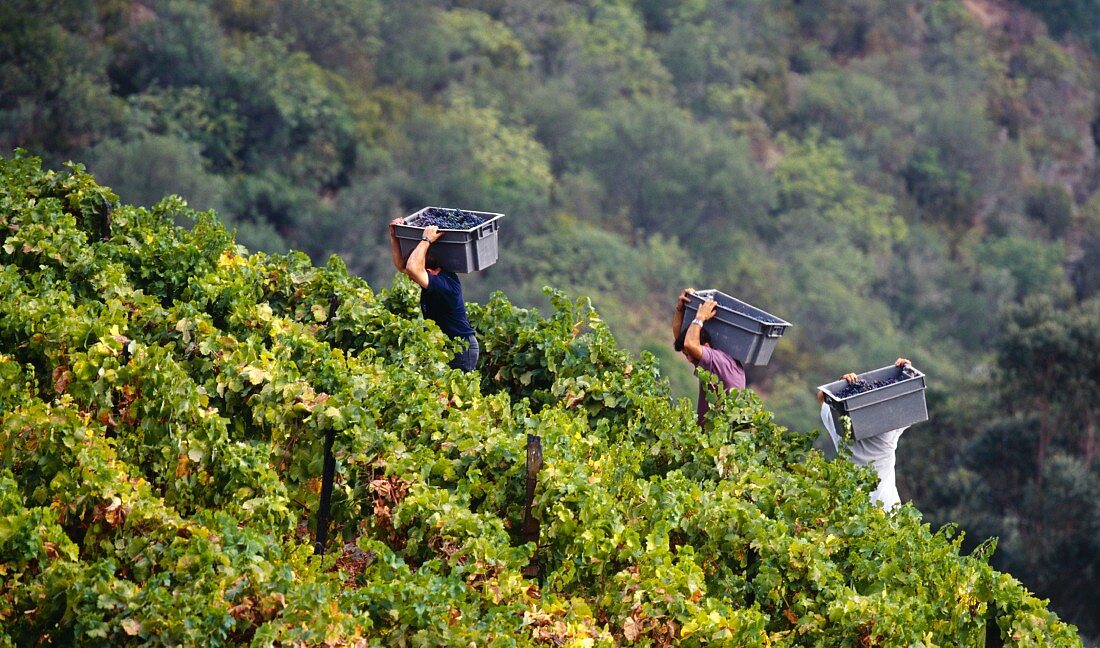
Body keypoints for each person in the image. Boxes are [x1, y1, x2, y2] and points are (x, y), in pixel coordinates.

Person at [816, 357, 912, 510]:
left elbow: (822, 397)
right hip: (887, 510)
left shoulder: (840, 429)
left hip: (852, 509)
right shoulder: (888, 432)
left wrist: (841, 384)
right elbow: (909, 402)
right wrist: (906, 371)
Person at [389, 218, 479, 372]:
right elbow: (403, 267)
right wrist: (394, 237)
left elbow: (412, 268)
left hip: (462, 349)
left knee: (455, 394)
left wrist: (426, 240)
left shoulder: (445, 286)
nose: (412, 280)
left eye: (414, 278)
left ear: (429, 272)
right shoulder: (435, 278)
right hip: (447, 346)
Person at [672, 288, 746, 425]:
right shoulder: (709, 361)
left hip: (721, 441)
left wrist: (700, 318)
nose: (689, 360)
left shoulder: (718, 361)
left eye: (689, 355)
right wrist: (680, 310)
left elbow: (689, 345)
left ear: (705, 346)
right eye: (686, 355)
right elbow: (683, 342)